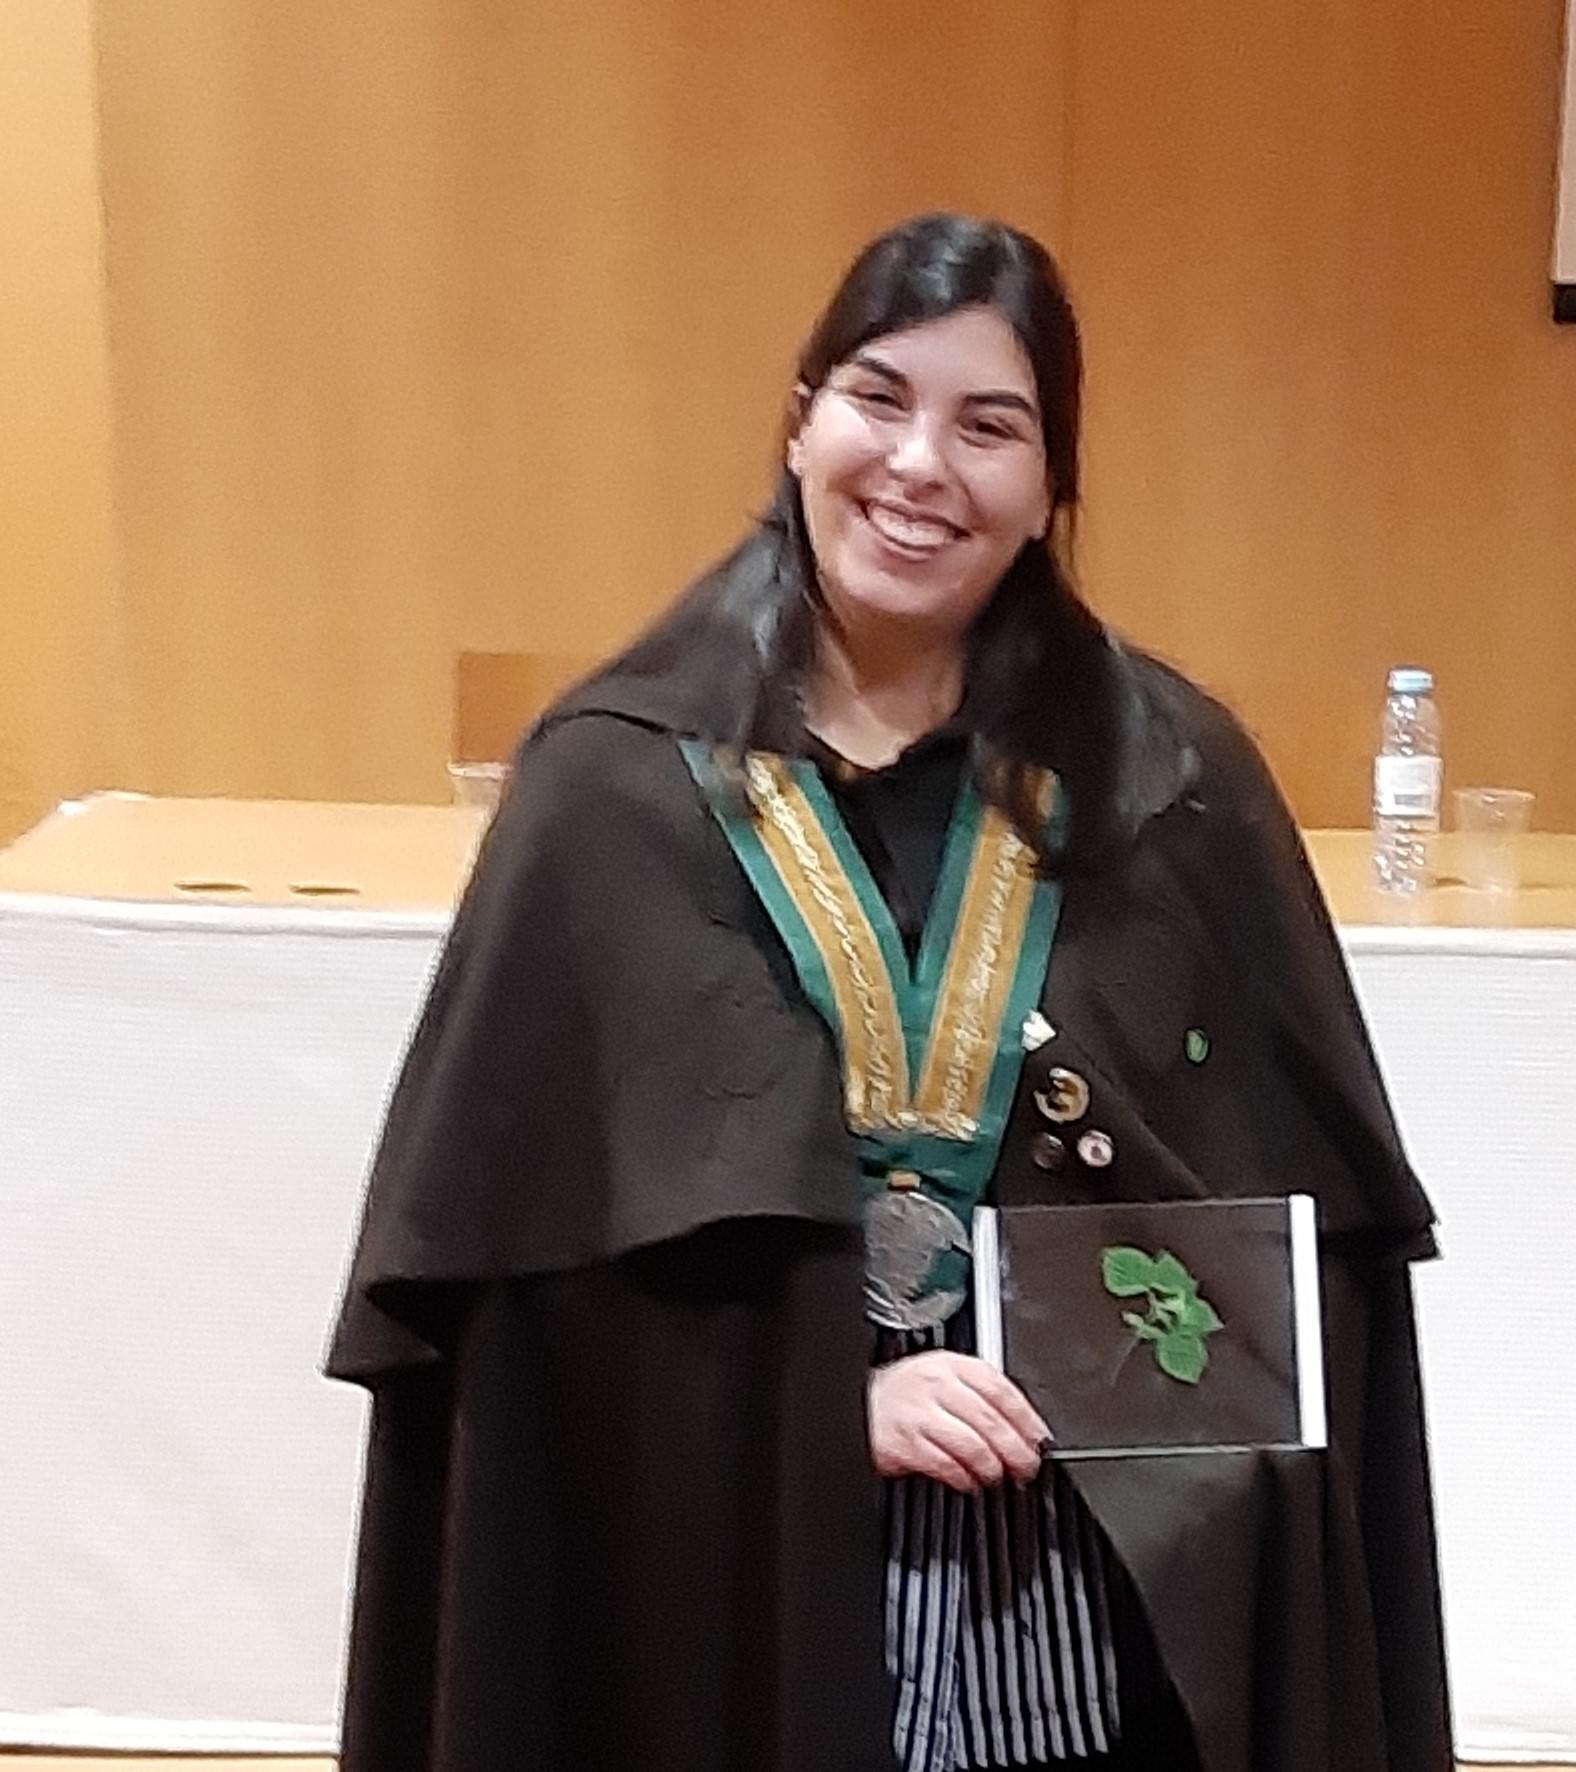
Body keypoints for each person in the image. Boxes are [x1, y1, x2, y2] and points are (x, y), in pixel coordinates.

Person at [327, 212, 1454, 1772]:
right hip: (723, 1577)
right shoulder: (614, 789)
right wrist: (817, 1410)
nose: (920, 466)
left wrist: (1136, 1361)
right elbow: (523, 1302)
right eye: (878, 398)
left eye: (988, 427)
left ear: (1050, 488)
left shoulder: (1168, 780)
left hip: (1070, 1566)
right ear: (800, 423)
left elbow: (1300, 1226)